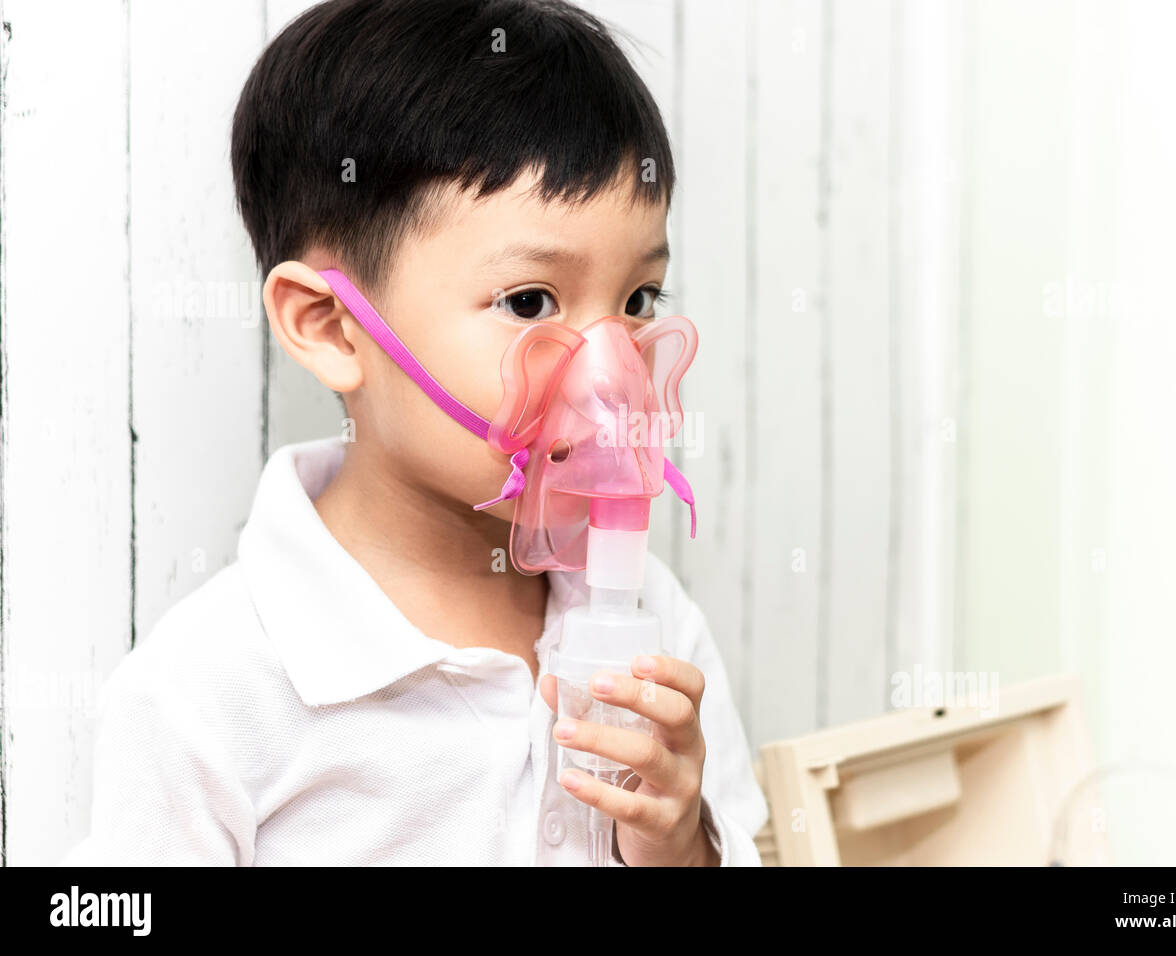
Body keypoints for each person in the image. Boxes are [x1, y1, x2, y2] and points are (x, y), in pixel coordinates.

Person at [61, 0, 768, 866]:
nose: (613, 370)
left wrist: (679, 841)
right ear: (328, 324)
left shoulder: (652, 620)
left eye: (638, 302)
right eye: (529, 303)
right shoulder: (211, 691)